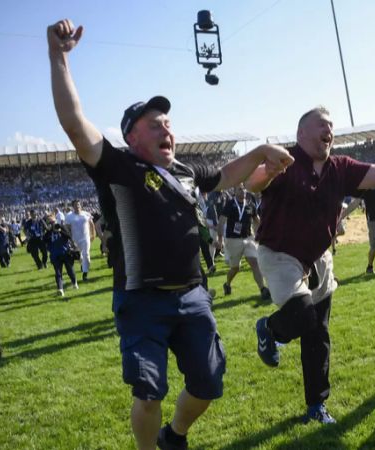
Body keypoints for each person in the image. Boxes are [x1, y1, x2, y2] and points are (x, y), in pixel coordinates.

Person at [48, 18, 293, 450]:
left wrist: (260, 153)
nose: (167, 129)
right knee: (148, 391)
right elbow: (74, 123)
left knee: (209, 382)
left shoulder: (185, 170)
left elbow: (227, 175)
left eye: (168, 123)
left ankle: (173, 436)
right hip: (142, 298)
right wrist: (60, 56)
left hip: (193, 295)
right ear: (131, 135)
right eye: (156, 124)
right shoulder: (118, 168)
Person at [247, 106, 375, 424]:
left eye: (331, 125)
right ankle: (270, 329)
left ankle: (316, 406)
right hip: (281, 253)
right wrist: (267, 169)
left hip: (318, 257)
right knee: (301, 314)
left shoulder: (339, 168)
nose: (328, 130)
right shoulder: (285, 161)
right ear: (301, 133)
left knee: (318, 332)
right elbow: (253, 183)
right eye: (321, 125)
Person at [217, 185, 270, 300]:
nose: (243, 191)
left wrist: (261, 233)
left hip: (248, 238)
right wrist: (220, 239)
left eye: (244, 189)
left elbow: (256, 221)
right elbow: (221, 222)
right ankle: (227, 284)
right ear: (234, 192)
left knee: (254, 262)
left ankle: (263, 289)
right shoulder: (230, 204)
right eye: (240, 189)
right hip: (233, 240)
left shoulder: (250, 205)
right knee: (235, 268)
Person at [44, 218, 79, 297]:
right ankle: (60, 289)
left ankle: (74, 283)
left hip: (65, 253)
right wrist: (49, 231)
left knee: (70, 270)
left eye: (53, 222)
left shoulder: (61, 227)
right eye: (50, 223)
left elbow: (69, 236)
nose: (52, 224)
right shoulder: (48, 233)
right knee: (58, 273)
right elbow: (44, 241)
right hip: (55, 255)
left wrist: (60, 230)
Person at [65, 199, 95, 281]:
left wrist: (93, 234)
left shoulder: (86, 214)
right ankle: (82, 264)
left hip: (85, 238)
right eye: (75, 205)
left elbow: (91, 224)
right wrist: (69, 239)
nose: (77, 206)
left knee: (87, 255)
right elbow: (67, 228)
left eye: (78, 204)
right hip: (75, 239)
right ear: (73, 206)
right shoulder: (69, 216)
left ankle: (85, 274)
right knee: (79, 257)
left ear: (80, 205)